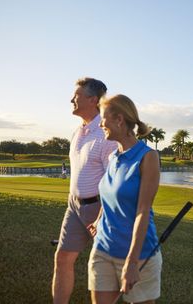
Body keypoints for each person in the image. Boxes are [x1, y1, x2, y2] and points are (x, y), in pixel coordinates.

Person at [88, 94, 162, 304]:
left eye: (103, 118)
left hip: (138, 256)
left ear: (119, 119)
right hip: (102, 249)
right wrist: (99, 219)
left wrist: (132, 262)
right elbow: (110, 193)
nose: (100, 124)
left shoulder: (148, 157)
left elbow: (143, 210)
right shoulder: (113, 157)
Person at [52, 77, 117, 304]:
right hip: (74, 205)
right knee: (62, 258)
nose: (72, 99)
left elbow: (114, 182)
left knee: (106, 267)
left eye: (76, 96)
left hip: (98, 208)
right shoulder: (78, 131)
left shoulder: (106, 133)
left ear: (92, 100)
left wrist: (102, 217)